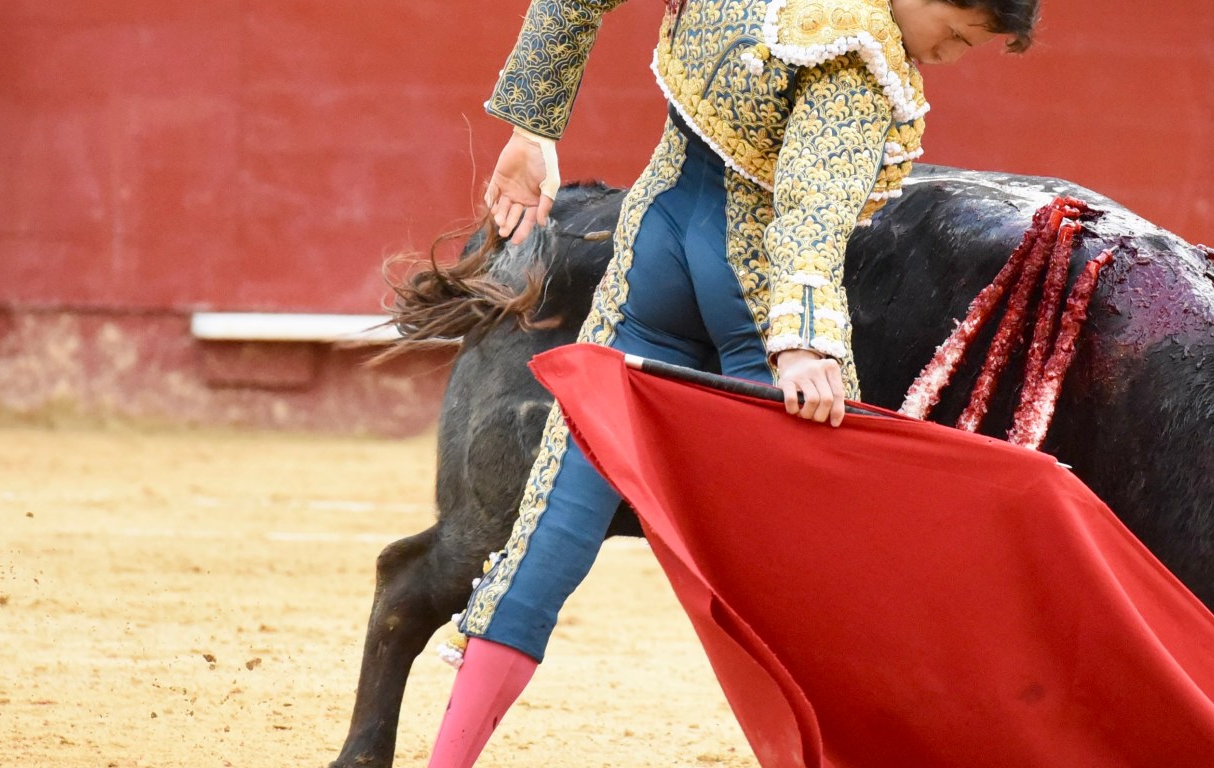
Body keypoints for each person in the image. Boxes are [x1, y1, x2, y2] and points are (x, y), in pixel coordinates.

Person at [426, 0, 1040, 764]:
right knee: (811, 557)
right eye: (954, 35)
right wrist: (806, 343)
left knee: (556, 520)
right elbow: (810, 212)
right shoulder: (861, 52)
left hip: (652, 247)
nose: (945, 58)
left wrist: (532, 128)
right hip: (749, 288)